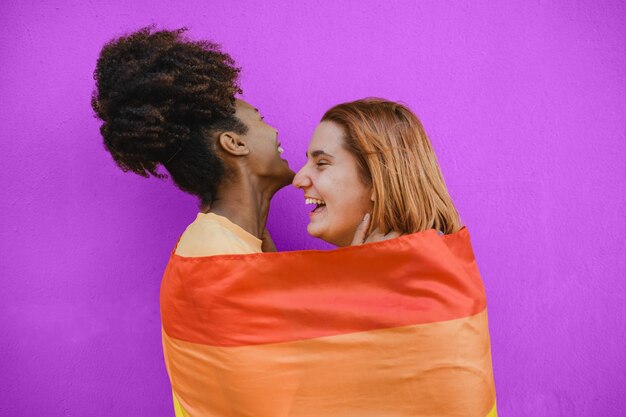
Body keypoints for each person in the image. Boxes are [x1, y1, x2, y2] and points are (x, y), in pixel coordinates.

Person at [91, 27, 294, 417]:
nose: (275, 130)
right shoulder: (213, 259)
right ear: (234, 143)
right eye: (261, 119)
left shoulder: (237, 244)